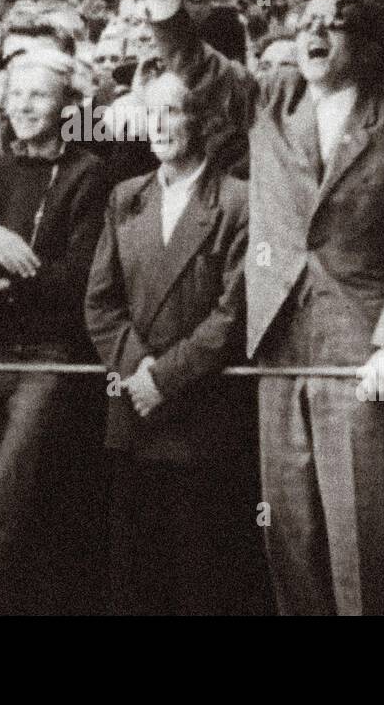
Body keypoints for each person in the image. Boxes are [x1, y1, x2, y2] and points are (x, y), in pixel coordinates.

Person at [133, 0, 384, 615]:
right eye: (306, 21)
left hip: (359, 351)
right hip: (277, 341)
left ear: (369, 46)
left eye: (332, 25)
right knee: (292, 535)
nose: (312, 34)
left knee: (361, 538)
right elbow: (189, 59)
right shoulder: (269, 98)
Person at [85, 71, 265, 614]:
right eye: (151, 112)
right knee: (135, 575)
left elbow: (234, 314)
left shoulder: (240, 202)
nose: (159, 125)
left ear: (205, 121)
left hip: (201, 415)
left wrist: (164, 379)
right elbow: (100, 303)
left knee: (201, 575)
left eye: (174, 111)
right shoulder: (127, 197)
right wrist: (140, 373)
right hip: (134, 416)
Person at [0, 49, 110, 614]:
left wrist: (2, 279)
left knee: (0, 509)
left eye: (38, 95)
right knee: (24, 508)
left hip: (51, 358)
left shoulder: (87, 173)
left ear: (68, 105)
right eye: (16, 94)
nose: (23, 106)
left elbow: (80, 279)